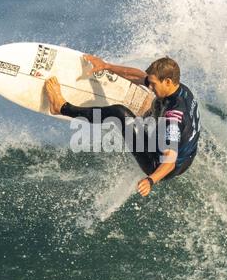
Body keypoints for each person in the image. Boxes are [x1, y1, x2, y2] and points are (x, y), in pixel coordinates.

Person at [45, 55, 200, 197]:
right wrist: (107, 66)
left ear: (167, 81)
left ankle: (61, 108)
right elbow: (139, 77)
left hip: (160, 165)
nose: (150, 87)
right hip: (188, 157)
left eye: (153, 84)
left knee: (119, 113)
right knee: (157, 101)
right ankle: (147, 115)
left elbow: (169, 161)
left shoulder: (172, 121)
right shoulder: (181, 90)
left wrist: (150, 180)